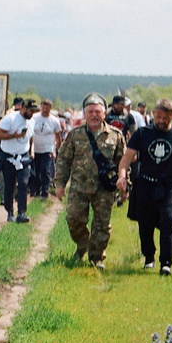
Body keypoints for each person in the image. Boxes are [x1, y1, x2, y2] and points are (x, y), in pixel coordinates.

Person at [119, 98, 172, 274]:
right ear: (153, 114)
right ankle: (149, 257)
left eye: (165, 118)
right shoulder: (141, 134)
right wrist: (122, 176)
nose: (161, 121)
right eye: (158, 117)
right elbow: (126, 158)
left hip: (170, 186)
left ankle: (166, 262)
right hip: (146, 184)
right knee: (145, 222)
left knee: (168, 219)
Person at [53, 94, 129, 268]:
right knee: (74, 219)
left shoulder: (115, 136)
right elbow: (63, 160)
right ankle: (83, 243)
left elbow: (122, 162)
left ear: (104, 113)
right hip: (79, 187)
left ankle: (96, 258)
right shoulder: (75, 135)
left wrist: (124, 184)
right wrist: (59, 184)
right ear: (85, 114)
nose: (94, 115)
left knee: (102, 224)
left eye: (98, 111)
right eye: (90, 112)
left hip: (104, 188)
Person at [0, 97, 33, 224]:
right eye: (30, 110)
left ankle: (21, 212)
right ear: (24, 108)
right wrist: (13, 136)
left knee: (23, 183)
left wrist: (31, 150)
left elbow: (31, 136)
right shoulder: (10, 119)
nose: (32, 114)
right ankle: (9, 210)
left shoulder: (32, 121)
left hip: (23, 156)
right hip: (9, 156)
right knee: (10, 185)